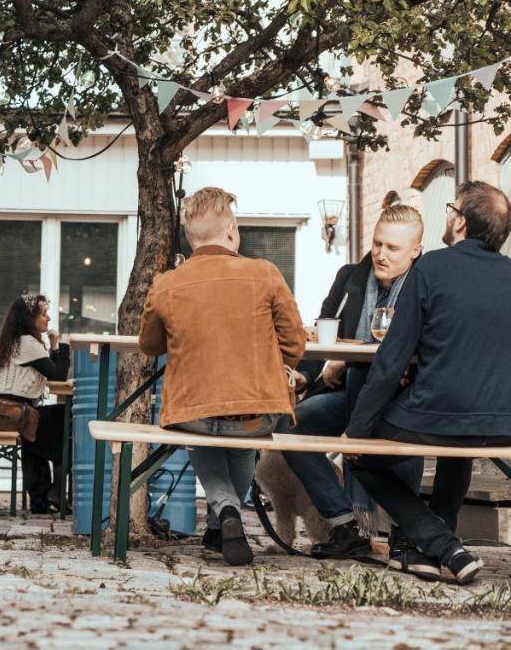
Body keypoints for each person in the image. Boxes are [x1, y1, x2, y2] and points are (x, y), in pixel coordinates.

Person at [346, 181, 511, 585]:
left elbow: (391, 360)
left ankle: (442, 544)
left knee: (363, 460)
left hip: (438, 412)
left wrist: (355, 432)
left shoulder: (432, 267)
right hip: (502, 421)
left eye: (451, 208)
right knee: (458, 450)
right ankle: (429, 550)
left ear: (460, 221)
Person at [139, 187, 306, 566]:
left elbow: (149, 346)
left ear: (189, 237)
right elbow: (295, 344)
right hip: (258, 412)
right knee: (242, 436)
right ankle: (223, 521)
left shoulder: (167, 283)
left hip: (194, 413)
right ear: (231, 230)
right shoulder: (265, 274)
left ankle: (225, 512)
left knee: (203, 433)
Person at [279, 202, 425, 561]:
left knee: (403, 435)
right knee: (290, 426)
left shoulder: (426, 283)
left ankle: (405, 534)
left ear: (415, 251)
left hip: (402, 396)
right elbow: (321, 333)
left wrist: (346, 359)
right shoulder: (351, 277)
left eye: (392, 248)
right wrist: (304, 374)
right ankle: (345, 524)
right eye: (377, 244)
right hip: (348, 393)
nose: (380, 254)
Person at [0, 294, 70, 513]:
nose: (48, 318)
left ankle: (44, 497)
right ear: (28, 318)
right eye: (43, 314)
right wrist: (61, 346)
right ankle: (56, 493)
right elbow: (58, 377)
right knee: (68, 417)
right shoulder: (27, 343)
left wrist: (52, 348)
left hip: (9, 411)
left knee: (47, 426)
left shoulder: (19, 341)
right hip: (15, 413)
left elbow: (52, 373)